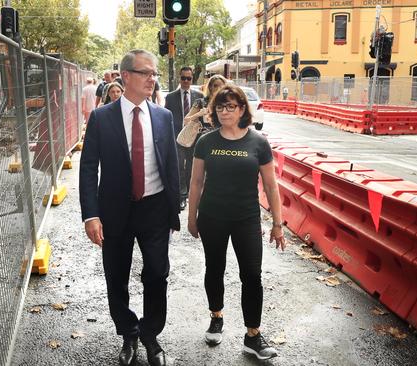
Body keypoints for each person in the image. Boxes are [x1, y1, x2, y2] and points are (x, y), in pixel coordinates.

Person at [79, 49, 180, 366]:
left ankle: (150, 335)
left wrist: (173, 210)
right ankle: (128, 332)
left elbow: (172, 165)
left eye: (154, 74)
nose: (153, 79)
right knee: (116, 277)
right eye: (146, 73)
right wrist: (91, 214)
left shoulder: (163, 117)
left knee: (156, 274)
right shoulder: (101, 118)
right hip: (114, 212)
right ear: (126, 76)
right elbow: (88, 168)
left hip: (154, 211)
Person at [187, 84, 285, 361]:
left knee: (252, 275)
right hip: (212, 217)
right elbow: (195, 182)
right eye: (220, 106)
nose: (224, 111)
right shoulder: (206, 142)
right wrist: (191, 217)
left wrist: (278, 224)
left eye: (231, 106)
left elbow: (271, 186)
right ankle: (216, 316)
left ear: (242, 109)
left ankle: (252, 335)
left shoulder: (258, 142)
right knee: (214, 268)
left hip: (247, 218)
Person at [164, 66, 203, 210]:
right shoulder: (170, 97)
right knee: (179, 166)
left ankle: (189, 195)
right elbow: (166, 118)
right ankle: (182, 196)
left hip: (193, 138)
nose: (186, 81)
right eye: (183, 78)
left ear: (192, 79)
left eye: (189, 78)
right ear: (179, 78)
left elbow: (204, 118)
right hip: (177, 138)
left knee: (191, 168)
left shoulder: (199, 96)